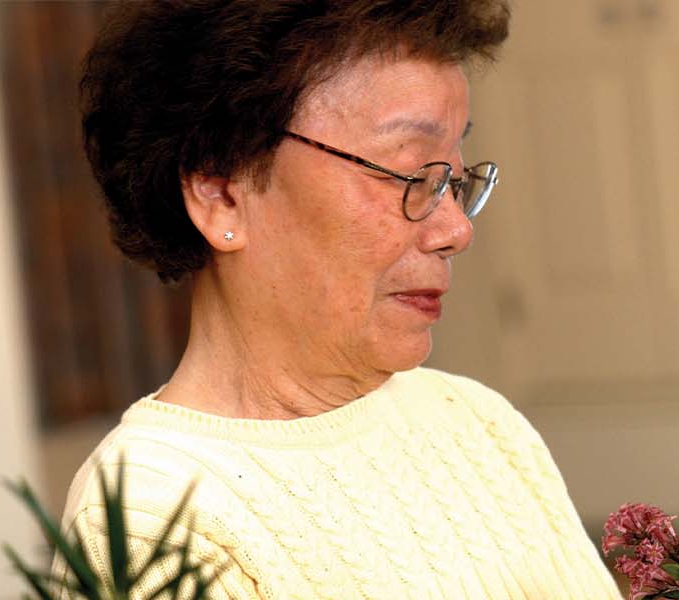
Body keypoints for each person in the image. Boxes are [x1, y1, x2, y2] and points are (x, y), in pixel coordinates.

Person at [58, 1, 620, 597]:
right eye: (411, 177)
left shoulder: (479, 423)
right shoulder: (148, 518)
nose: (456, 229)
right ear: (221, 192)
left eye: (453, 180)